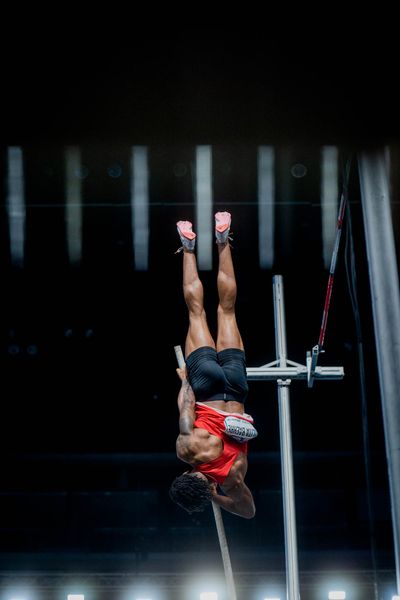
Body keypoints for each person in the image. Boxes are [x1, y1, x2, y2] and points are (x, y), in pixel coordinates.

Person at [169, 211, 257, 519]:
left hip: (235, 391)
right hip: (205, 387)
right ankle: (188, 247)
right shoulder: (186, 450)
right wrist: (184, 380)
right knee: (196, 313)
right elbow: (186, 409)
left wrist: (216, 497)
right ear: (184, 476)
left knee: (228, 311)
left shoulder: (232, 481)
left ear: (206, 490)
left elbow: (248, 512)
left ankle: (223, 242)